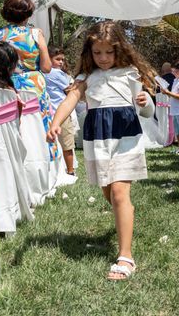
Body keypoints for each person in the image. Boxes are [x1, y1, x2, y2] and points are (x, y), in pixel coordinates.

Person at [46, 21, 155, 281]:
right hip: (98, 141)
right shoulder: (86, 78)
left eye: (109, 52)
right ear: (89, 53)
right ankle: (124, 210)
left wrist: (146, 100)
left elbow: (148, 111)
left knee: (118, 191)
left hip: (125, 136)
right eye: (97, 53)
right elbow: (70, 100)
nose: (103, 58)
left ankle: (125, 257)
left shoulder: (130, 73)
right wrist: (55, 123)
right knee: (110, 192)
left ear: (119, 50)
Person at [0, 0, 58, 161]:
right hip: (32, 84)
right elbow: (47, 67)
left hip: (4, 84)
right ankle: (44, 158)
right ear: (28, 13)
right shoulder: (35, 33)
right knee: (38, 123)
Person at [45, 46, 77, 175]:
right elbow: (69, 89)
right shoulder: (56, 73)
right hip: (61, 111)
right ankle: (70, 170)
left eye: (62, 60)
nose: (61, 62)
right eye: (57, 59)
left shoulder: (41, 72)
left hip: (47, 111)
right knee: (67, 143)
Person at [160, 62, 179, 154]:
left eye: (176, 71)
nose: (174, 73)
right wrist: (166, 92)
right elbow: (174, 95)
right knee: (178, 132)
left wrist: (168, 93)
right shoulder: (176, 80)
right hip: (174, 110)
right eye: (173, 71)